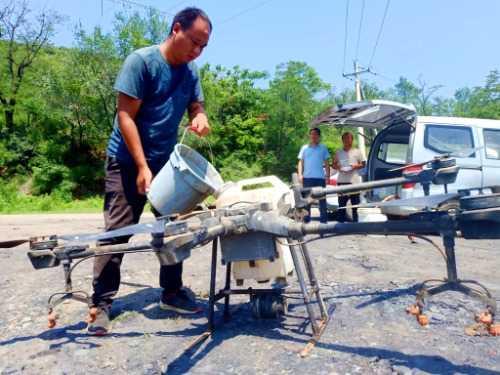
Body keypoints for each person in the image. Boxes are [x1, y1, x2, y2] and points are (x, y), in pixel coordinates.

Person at [88, 7, 212, 335]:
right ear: (176, 29)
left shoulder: (190, 71)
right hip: (128, 162)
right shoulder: (141, 62)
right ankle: (100, 305)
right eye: (194, 42)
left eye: (203, 46)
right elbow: (125, 116)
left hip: (166, 162)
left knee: (172, 229)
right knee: (117, 232)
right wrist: (142, 166)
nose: (197, 50)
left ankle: (171, 292)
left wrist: (199, 115)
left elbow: (195, 104)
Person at [297, 127, 330, 223]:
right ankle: (306, 222)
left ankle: (324, 223)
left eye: (316, 134)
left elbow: (327, 163)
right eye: (312, 134)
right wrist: (300, 175)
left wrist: (327, 176)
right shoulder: (304, 148)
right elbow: (300, 162)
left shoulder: (323, 148)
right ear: (309, 136)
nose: (313, 136)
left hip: (320, 178)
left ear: (319, 136)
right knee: (307, 201)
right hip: (307, 178)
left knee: (322, 201)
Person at [333, 132, 366, 223]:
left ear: (352, 140)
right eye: (346, 139)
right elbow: (334, 165)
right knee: (341, 205)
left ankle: (356, 224)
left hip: (354, 181)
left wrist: (355, 166)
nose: (348, 141)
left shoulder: (357, 151)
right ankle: (340, 225)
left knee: (355, 205)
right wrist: (339, 167)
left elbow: (363, 164)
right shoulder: (338, 152)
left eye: (349, 139)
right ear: (342, 140)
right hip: (342, 181)